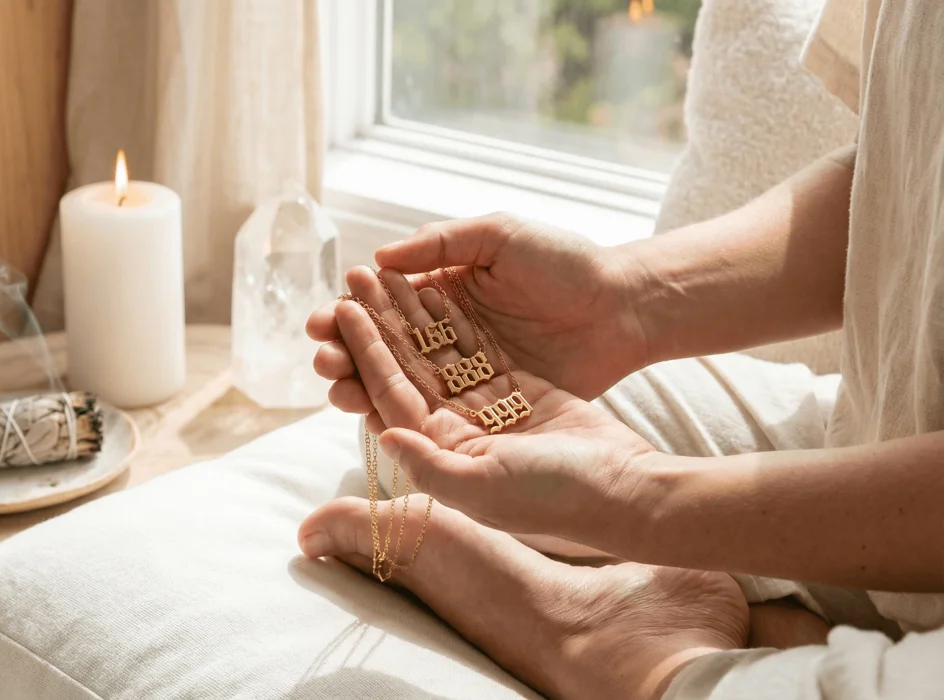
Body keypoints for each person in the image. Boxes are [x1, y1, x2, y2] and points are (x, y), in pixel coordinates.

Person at [300, 0, 944, 697]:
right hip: (891, 442)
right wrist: (624, 302)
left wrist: (636, 499)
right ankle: (796, 635)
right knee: (434, 440)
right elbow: (900, 171)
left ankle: (630, 653)